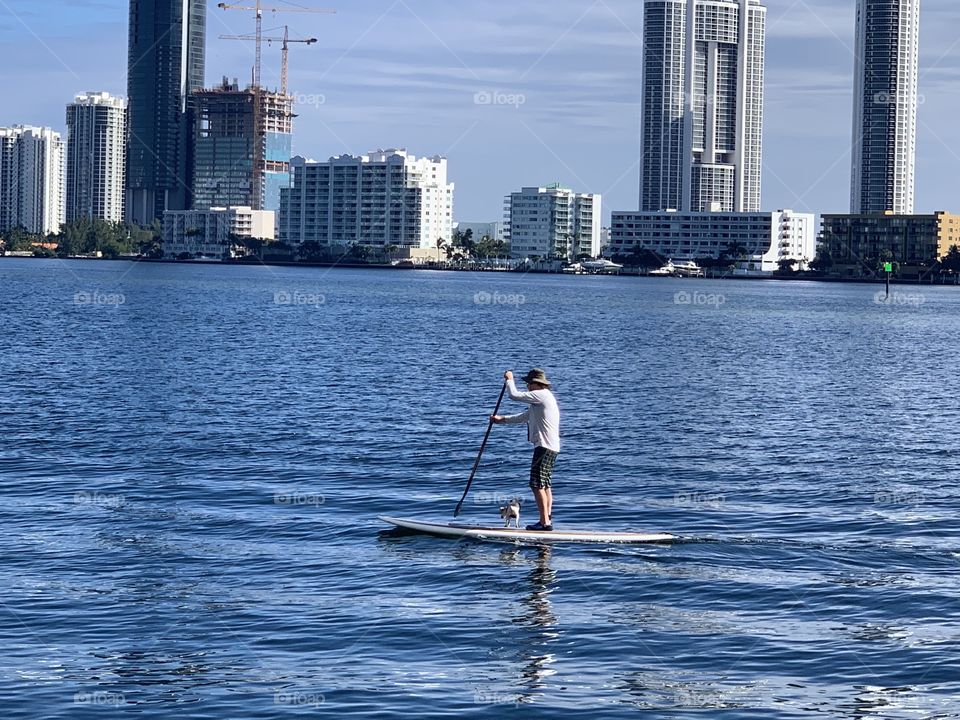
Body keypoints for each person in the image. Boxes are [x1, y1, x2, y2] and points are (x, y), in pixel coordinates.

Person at [492, 369, 560, 531]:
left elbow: (514, 395)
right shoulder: (541, 400)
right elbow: (525, 417)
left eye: (529, 383)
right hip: (550, 446)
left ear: (537, 383)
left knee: (536, 485)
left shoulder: (542, 394)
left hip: (544, 446)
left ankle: (544, 523)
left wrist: (509, 379)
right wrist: (501, 420)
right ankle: (546, 519)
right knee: (544, 484)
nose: (528, 386)